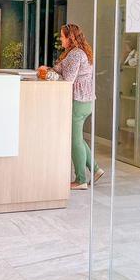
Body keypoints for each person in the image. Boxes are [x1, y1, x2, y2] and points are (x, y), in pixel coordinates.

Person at [38, 23, 103, 190]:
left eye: (62, 36)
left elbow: (68, 80)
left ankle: (81, 180)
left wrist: (48, 72)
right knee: (78, 139)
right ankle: (95, 169)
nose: (60, 39)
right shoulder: (80, 52)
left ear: (70, 37)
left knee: (74, 140)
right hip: (85, 102)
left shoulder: (76, 54)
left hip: (78, 102)